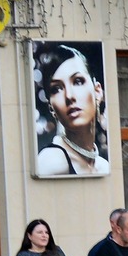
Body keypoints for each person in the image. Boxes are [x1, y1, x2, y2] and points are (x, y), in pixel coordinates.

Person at [32, 43, 109, 177]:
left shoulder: (104, 166)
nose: (69, 96)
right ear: (51, 107)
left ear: (97, 91)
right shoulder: (50, 163)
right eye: (57, 89)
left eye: (78, 81)